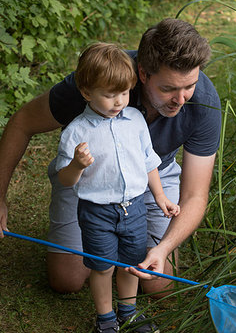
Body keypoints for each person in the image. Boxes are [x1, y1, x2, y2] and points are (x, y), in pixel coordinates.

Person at [0, 18, 221, 298]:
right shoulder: (102, 79)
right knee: (66, 280)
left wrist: (163, 248)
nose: (181, 99)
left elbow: (194, 196)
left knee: (158, 285)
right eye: (168, 89)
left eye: (189, 85)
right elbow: (22, 122)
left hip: (153, 175)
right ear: (142, 73)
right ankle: (107, 247)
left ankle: (122, 246)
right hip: (89, 176)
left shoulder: (203, 101)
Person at [56, 42, 179, 333]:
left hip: (134, 207)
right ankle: (106, 319)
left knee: (132, 262)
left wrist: (160, 197)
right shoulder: (77, 131)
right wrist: (76, 164)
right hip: (97, 211)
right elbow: (65, 179)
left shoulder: (135, 119)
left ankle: (128, 310)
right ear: (86, 92)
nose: (118, 102)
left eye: (123, 93)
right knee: (102, 265)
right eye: (109, 95)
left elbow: (149, 162)